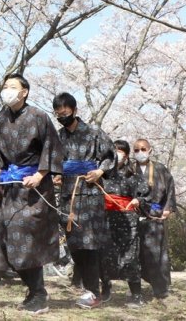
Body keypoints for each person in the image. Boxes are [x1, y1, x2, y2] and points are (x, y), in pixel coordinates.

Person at [0, 73, 64, 315]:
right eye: (5, 86)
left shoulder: (39, 117)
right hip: (11, 187)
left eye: (13, 87)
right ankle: (33, 290)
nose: (7, 90)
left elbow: (52, 148)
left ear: (24, 92)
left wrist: (40, 176)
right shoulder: (0, 119)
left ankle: (39, 293)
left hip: (34, 188)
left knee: (27, 239)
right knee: (10, 241)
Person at [52, 92, 115, 309]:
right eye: (58, 114)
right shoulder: (58, 136)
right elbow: (55, 163)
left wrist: (100, 171)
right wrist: (58, 175)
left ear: (75, 110)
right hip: (68, 196)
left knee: (91, 243)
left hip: (90, 193)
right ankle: (93, 286)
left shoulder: (94, 133)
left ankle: (95, 290)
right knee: (75, 244)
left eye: (65, 113)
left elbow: (111, 156)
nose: (62, 117)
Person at [99, 140, 144, 308]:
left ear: (126, 155)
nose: (118, 155)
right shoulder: (102, 174)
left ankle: (136, 293)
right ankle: (105, 287)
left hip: (127, 220)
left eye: (122, 152)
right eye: (115, 151)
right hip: (105, 219)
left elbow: (144, 194)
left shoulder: (133, 175)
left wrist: (137, 200)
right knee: (104, 256)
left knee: (131, 257)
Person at [133, 138, 177, 300]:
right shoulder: (130, 170)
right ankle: (136, 289)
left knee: (156, 254)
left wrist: (167, 209)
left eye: (143, 149)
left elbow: (170, 190)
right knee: (136, 254)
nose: (140, 153)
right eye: (136, 150)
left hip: (155, 215)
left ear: (150, 150)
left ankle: (161, 288)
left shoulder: (160, 169)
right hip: (134, 217)